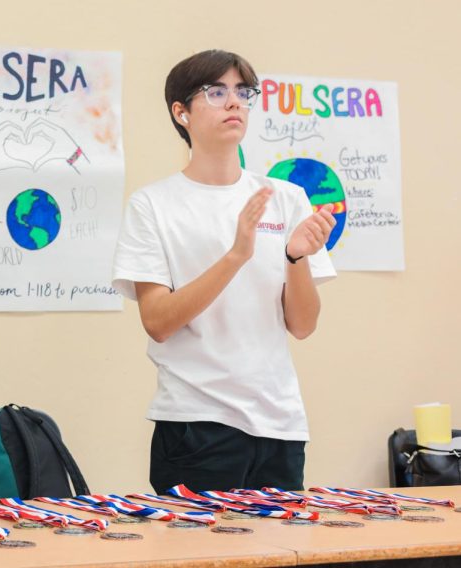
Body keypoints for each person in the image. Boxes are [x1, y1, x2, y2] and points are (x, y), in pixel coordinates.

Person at [112, 50, 336, 493]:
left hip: (280, 424)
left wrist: (295, 259)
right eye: (216, 92)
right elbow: (157, 322)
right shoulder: (153, 204)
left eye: (242, 92)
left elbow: (304, 325)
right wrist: (236, 255)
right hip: (197, 424)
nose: (234, 102)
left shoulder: (286, 198)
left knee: (280, 559)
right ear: (181, 113)